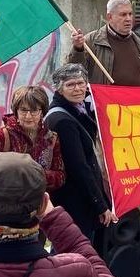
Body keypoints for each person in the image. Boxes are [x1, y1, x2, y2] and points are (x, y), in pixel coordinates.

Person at [45, 64, 114, 242]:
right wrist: (100, 205)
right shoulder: (62, 120)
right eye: (70, 85)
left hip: (79, 199)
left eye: (81, 83)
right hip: (74, 201)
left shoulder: (78, 110)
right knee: (75, 249)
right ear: (59, 89)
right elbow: (79, 167)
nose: (77, 88)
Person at [0, 85, 66, 193]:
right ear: (16, 111)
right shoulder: (0, 137)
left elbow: (60, 177)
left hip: (39, 204)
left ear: (42, 112)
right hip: (8, 204)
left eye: (34, 110)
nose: (28, 116)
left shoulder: (51, 138)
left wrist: (37, 173)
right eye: (23, 110)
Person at [67, 0, 140, 87]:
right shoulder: (91, 41)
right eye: (123, 14)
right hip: (104, 100)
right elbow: (73, 72)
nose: (128, 19)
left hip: (137, 100)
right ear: (109, 17)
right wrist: (78, 49)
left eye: (130, 14)